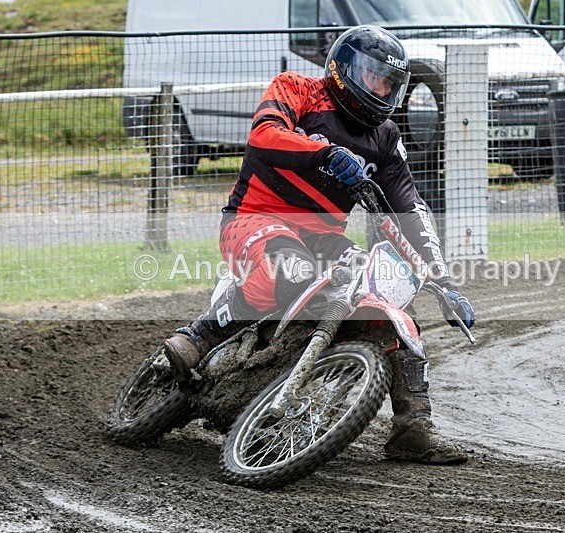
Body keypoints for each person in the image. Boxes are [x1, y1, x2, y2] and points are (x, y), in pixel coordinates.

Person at [164, 25, 476, 464]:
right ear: (341, 67)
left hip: (323, 237)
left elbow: (409, 206)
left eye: (390, 83)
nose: (381, 89)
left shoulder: (385, 137)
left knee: (390, 304)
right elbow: (265, 134)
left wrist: (444, 283)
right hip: (256, 218)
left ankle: (413, 428)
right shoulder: (297, 88)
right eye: (373, 77)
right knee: (287, 268)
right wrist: (324, 153)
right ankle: (201, 334)